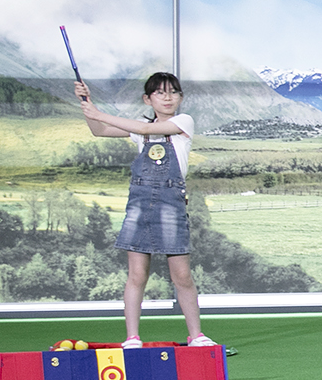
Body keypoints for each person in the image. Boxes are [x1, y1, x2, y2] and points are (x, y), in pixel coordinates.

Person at [75, 70, 216, 349]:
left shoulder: (182, 122)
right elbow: (99, 130)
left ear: (181, 97)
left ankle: (196, 335)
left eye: (173, 92)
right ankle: (132, 337)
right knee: (137, 275)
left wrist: (99, 113)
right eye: (160, 93)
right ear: (147, 99)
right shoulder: (139, 126)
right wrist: (86, 104)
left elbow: (146, 130)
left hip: (171, 204)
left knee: (182, 276)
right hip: (140, 205)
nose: (168, 97)